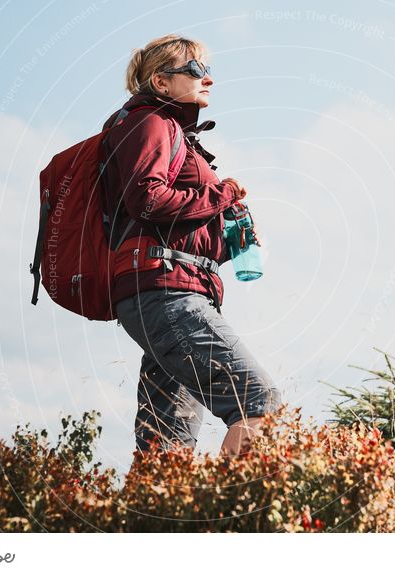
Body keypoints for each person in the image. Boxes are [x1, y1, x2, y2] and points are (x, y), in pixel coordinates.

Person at [101, 34, 280, 457]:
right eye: (196, 69)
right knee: (257, 403)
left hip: (165, 290)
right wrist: (224, 195)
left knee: (166, 447)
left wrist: (224, 238)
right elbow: (148, 199)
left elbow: (162, 216)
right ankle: (239, 519)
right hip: (167, 296)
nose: (209, 79)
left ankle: (157, 517)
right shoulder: (151, 123)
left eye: (208, 69)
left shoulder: (166, 131)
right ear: (161, 83)